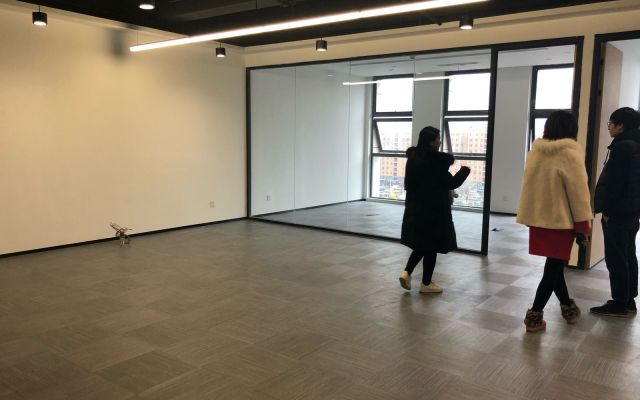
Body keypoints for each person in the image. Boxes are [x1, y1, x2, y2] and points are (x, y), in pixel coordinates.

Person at [517, 111, 592, 332]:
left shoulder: (535, 153)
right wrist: (583, 227)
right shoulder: (570, 154)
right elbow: (579, 194)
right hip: (561, 222)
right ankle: (534, 315)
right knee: (553, 269)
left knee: (555, 266)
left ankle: (568, 307)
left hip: (539, 219)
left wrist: (529, 215)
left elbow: (529, 188)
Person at [399, 126, 470, 293]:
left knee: (423, 245)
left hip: (416, 209)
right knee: (431, 246)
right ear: (431, 141)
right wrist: (464, 171)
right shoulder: (436, 161)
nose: (440, 141)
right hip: (434, 211)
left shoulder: (413, 158)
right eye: (438, 138)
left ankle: (407, 273)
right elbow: (451, 183)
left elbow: (409, 185)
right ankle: (425, 284)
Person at [591, 107, 640, 317]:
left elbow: (616, 184)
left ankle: (619, 303)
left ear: (621, 125)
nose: (609, 127)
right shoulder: (636, 144)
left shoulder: (622, 147)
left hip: (618, 213)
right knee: (628, 254)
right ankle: (629, 300)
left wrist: (607, 210)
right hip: (632, 211)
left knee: (616, 257)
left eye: (611, 123)